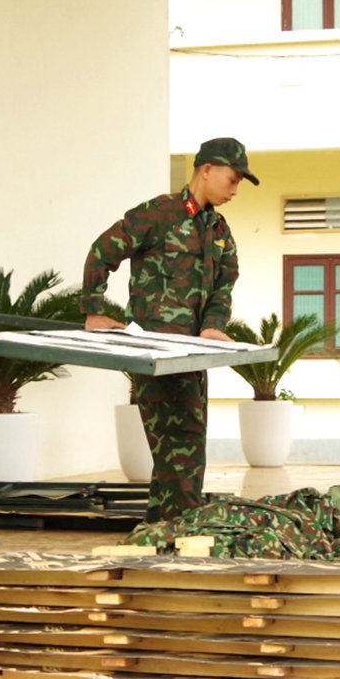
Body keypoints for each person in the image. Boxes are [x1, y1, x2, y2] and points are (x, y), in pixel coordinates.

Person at [80, 137, 256, 523]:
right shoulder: (158, 214)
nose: (235, 190)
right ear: (206, 169)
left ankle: (162, 527)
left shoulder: (219, 230)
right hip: (155, 353)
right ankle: (184, 526)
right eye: (232, 179)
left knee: (185, 447)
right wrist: (93, 311)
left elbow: (224, 286)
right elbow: (102, 251)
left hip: (192, 355)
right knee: (178, 445)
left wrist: (213, 327)